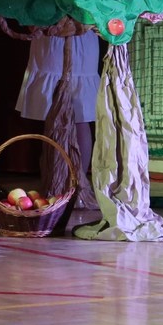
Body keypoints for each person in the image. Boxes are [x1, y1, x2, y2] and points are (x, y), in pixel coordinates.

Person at [16, 31, 100, 208]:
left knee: (79, 115)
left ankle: (78, 187)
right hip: (52, 35)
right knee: (54, 112)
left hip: (80, 35)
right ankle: (56, 184)